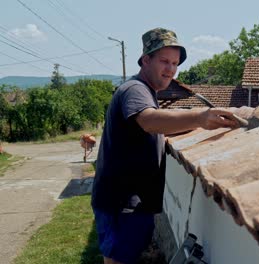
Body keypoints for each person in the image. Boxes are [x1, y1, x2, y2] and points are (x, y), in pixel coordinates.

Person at [91, 27, 238, 264]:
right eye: (164, 61)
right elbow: (149, 121)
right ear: (146, 60)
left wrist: (193, 126)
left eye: (175, 63)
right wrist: (200, 117)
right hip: (123, 203)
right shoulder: (136, 90)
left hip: (124, 201)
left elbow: (156, 128)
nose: (171, 69)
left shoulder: (145, 91)